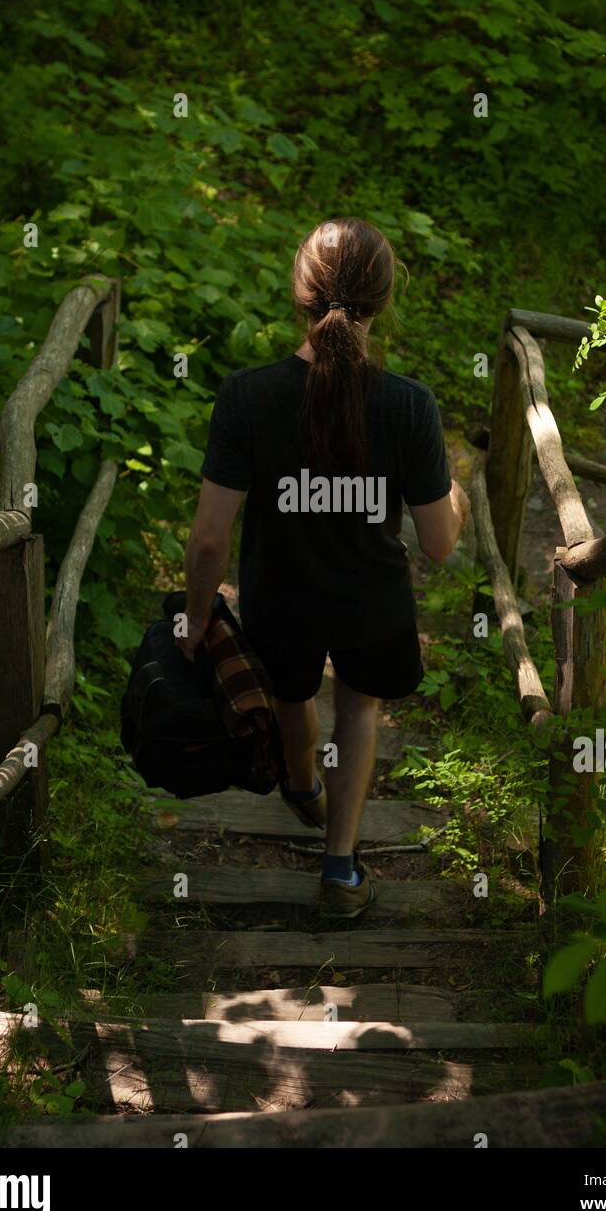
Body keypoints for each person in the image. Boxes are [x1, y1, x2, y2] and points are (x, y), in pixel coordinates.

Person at [177, 217, 470, 917]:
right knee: (360, 706)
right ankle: (341, 869)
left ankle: (301, 783)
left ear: (299, 292)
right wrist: (454, 492)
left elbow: (210, 540)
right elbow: (439, 544)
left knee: (290, 690)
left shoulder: (246, 396)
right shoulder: (409, 405)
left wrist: (195, 619)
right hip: (371, 606)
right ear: (385, 300)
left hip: (279, 600)